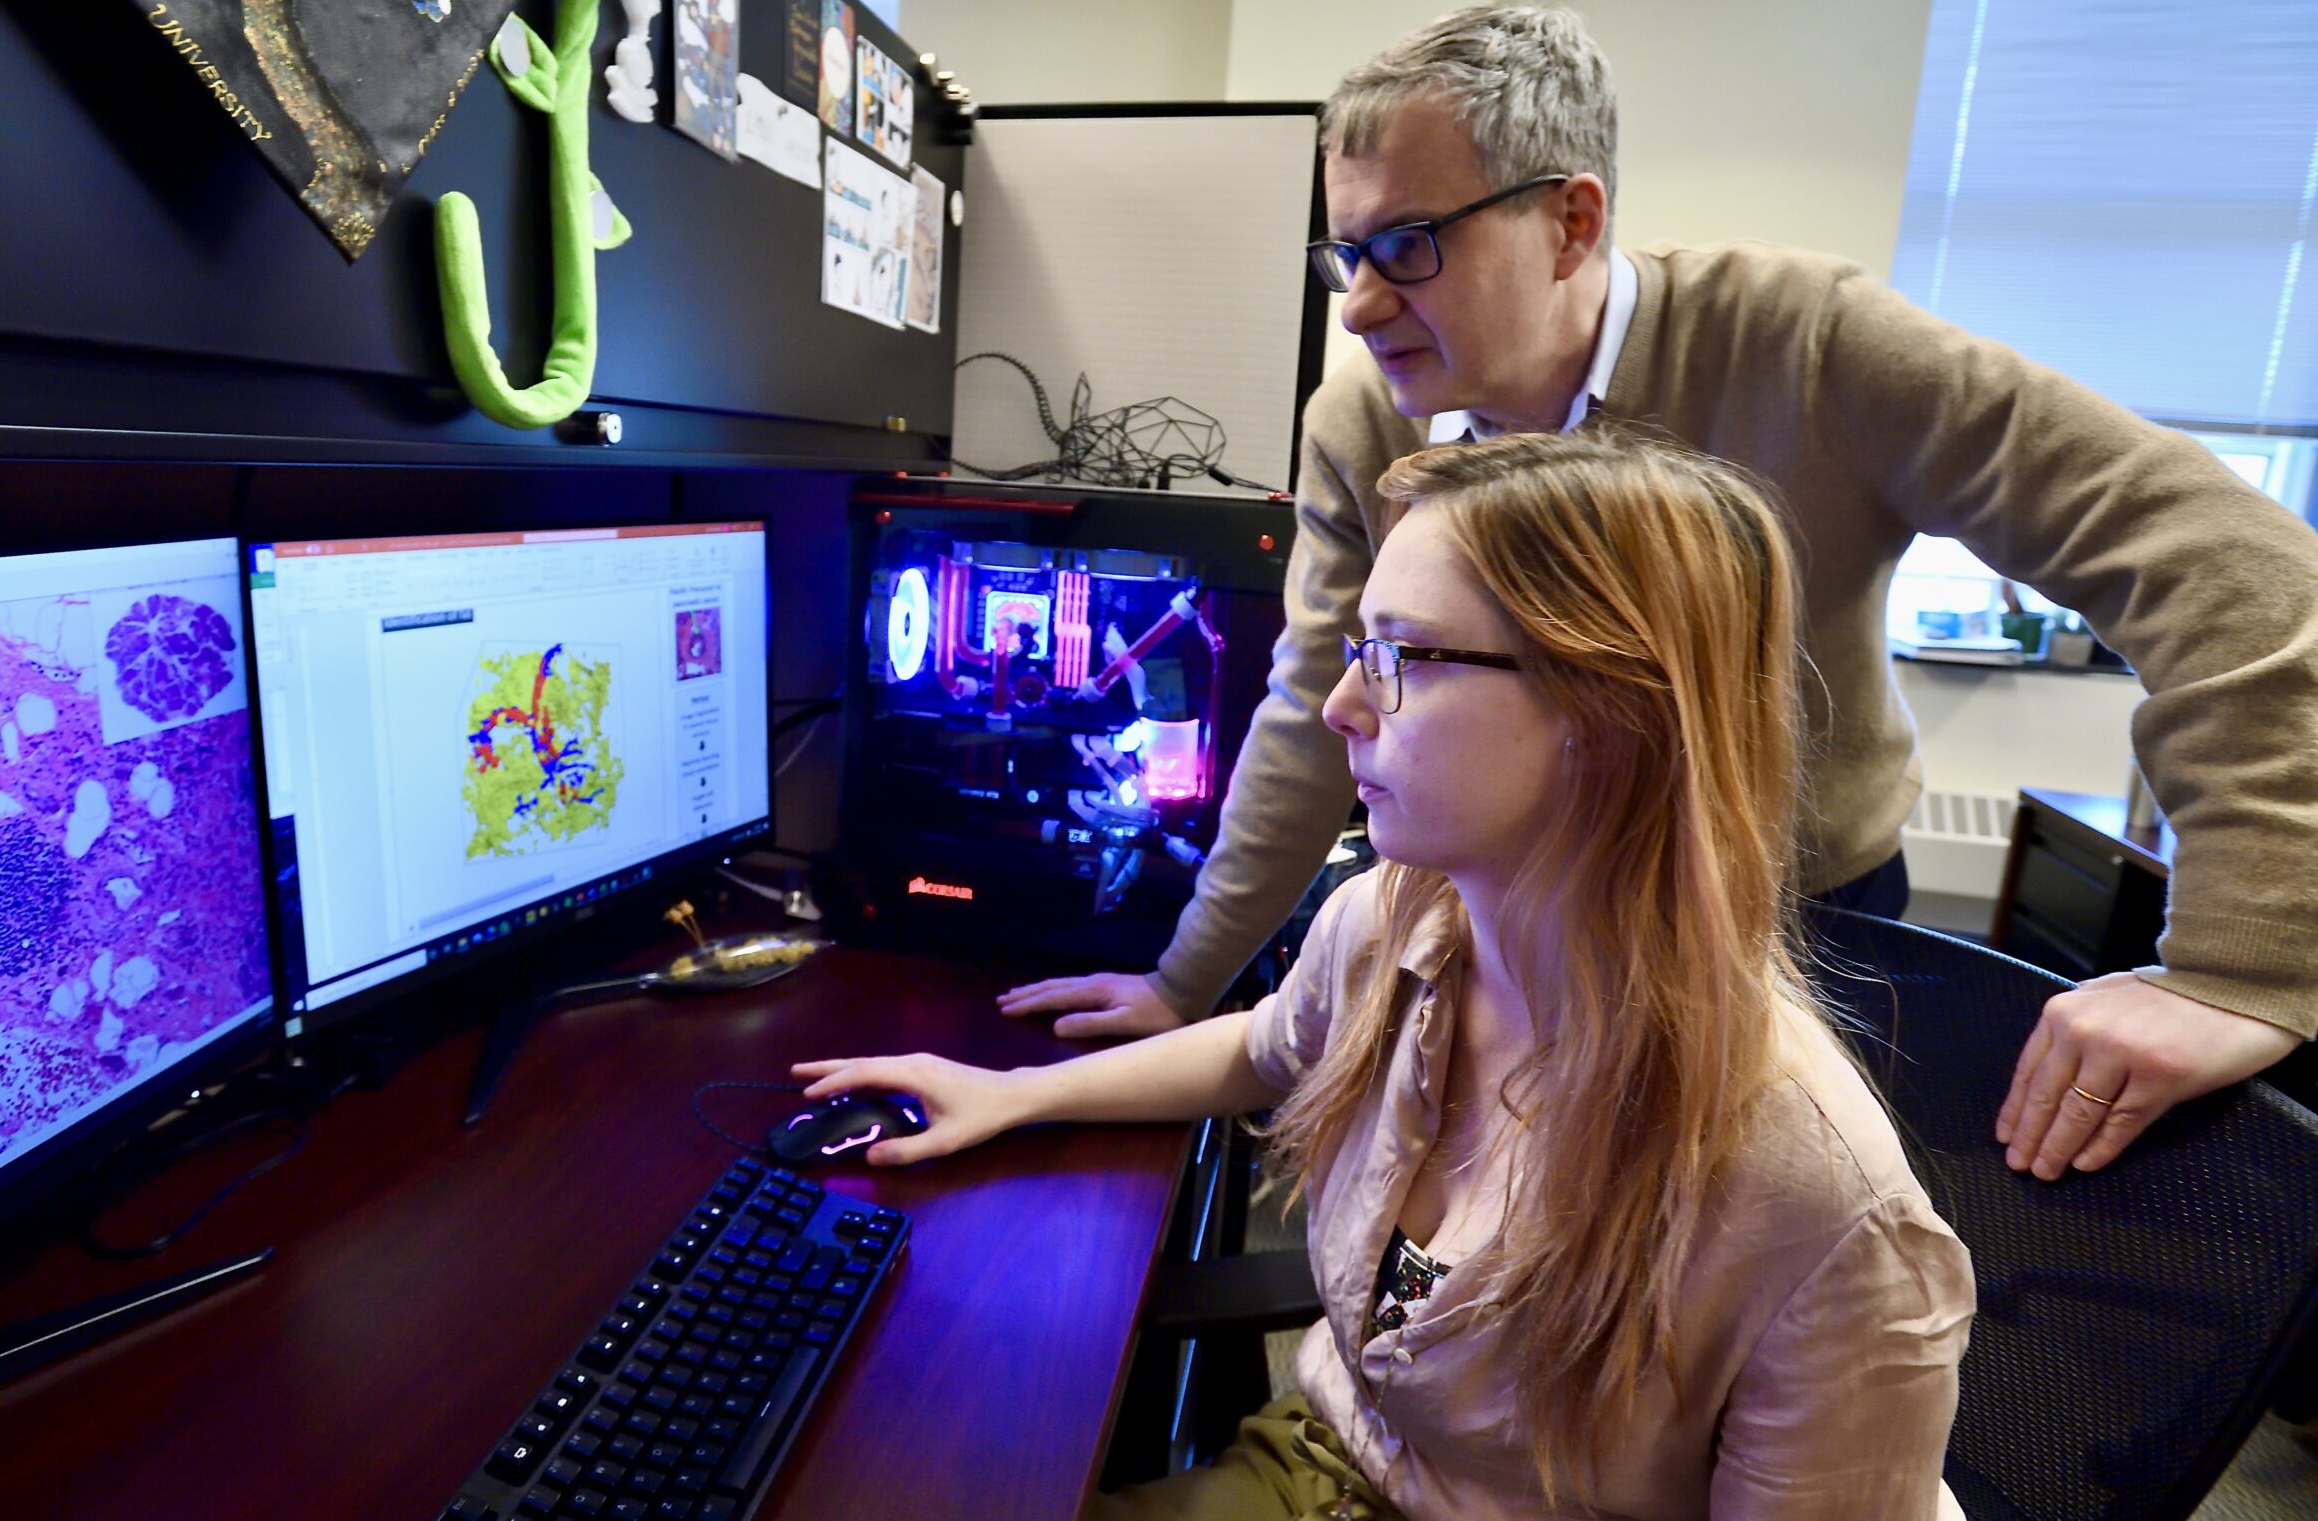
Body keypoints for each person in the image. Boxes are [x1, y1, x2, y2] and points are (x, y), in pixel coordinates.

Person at [1000, 5, 2318, 1183]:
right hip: (1507, 923)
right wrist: (1186, 978)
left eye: (1404, 245)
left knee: (1733, 1298)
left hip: (1787, 925)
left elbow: (2232, 564)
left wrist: (2238, 960)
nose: (1357, 307)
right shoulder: (1363, 417)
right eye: (1345, 254)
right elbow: (1312, 706)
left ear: (1571, 222)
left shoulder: (1807, 343)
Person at [802, 433, 1975, 1519]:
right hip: (1325, 1462)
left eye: (1403, 655)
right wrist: (1012, 1092)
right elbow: (1267, 1043)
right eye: (1361, 647)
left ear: (1609, 707)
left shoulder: (1818, 1209)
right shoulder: (1392, 922)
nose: (1341, 704)